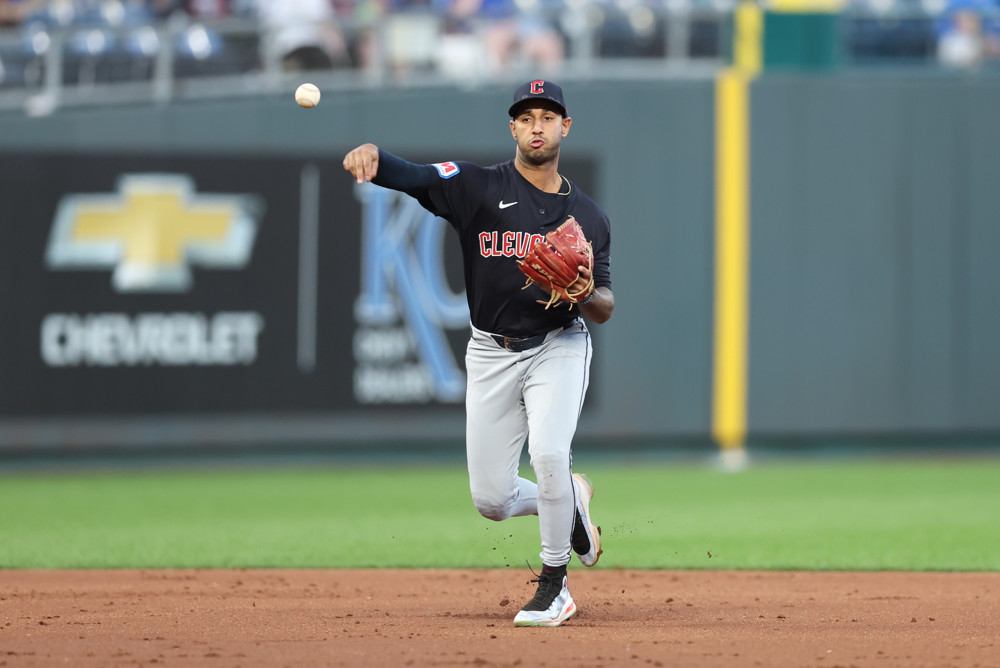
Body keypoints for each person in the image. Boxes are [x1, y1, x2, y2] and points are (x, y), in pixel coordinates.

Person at [342, 80, 613, 627]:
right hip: (491, 351)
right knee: (491, 500)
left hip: (558, 344)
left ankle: (555, 582)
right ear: (512, 127)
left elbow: (604, 306)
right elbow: (417, 178)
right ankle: (571, 505)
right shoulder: (477, 187)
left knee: (549, 455)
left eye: (548, 116)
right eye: (526, 116)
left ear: (565, 126)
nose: (537, 125)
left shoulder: (588, 217)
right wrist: (377, 157)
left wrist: (584, 293)